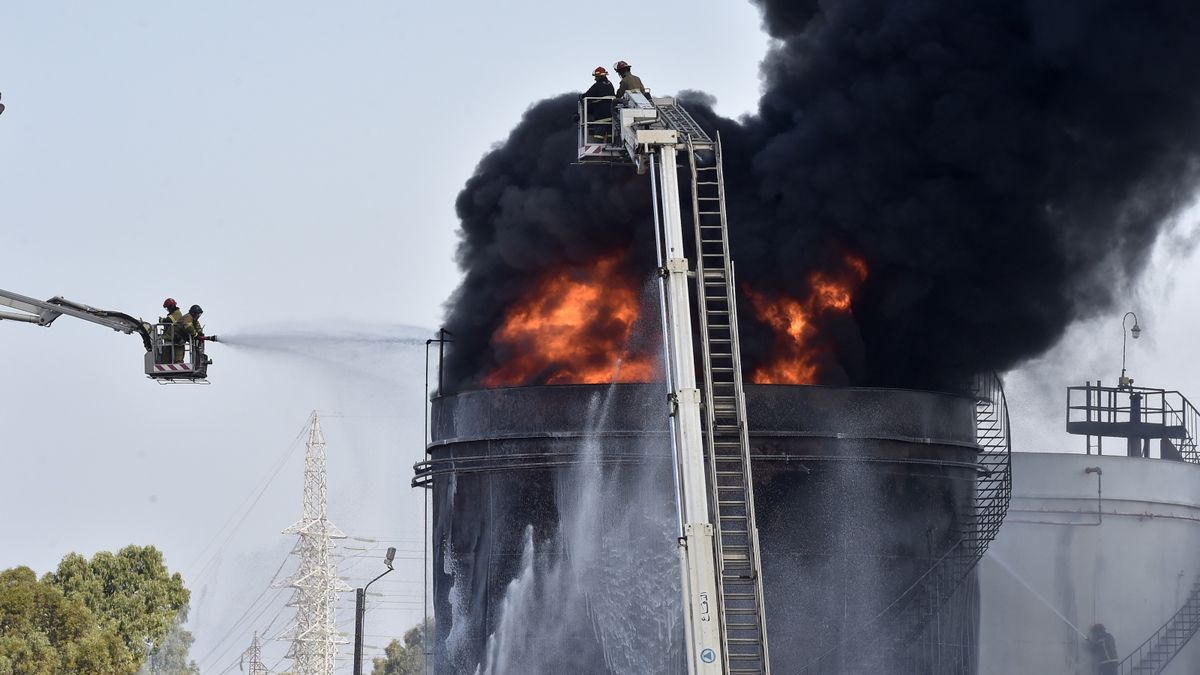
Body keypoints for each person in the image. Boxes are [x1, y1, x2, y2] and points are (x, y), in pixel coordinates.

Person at [579, 66, 615, 142]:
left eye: (596, 77)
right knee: (610, 135)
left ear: (599, 76)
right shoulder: (610, 85)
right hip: (611, 114)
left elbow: (588, 95)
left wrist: (581, 96)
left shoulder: (597, 85)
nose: (595, 79)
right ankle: (609, 144)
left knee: (599, 135)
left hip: (601, 116)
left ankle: (598, 148)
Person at [156, 298, 185, 364]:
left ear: (171, 306)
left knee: (177, 358)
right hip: (170, 338)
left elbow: (167, 320)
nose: (167, 309)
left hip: (174, 338)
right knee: (166, 359)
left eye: (168, 307)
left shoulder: (177, 313)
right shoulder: (174, 313)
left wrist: (161, 320)